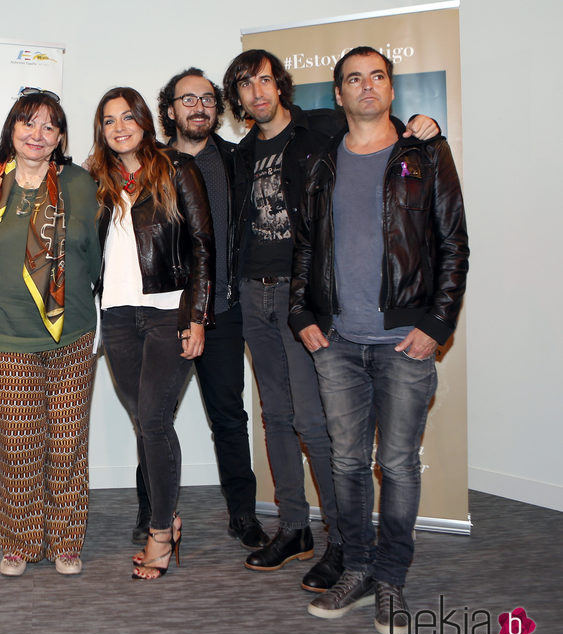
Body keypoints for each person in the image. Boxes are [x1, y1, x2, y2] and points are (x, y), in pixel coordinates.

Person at [221, 49, 439, 593]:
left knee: (319, 427)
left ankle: (344, 541)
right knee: (275, 416)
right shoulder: (242, 153)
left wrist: (423, 128)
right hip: (255, 295)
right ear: (239, 99)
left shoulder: (320, 129)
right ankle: (295, 528)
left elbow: (375, 116)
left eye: (265, 81)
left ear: (281, 85)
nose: (258, 93)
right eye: (246, 86)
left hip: (308, 300)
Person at [290, 47, 468, 634]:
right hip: (337, 341)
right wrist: (301, 315)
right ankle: (359, 569)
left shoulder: (424, 152)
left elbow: (452, 245)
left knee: (396, 464)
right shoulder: (322, 162)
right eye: (353, 80)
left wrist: (436, 326)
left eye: (377, 77)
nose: (367, 87)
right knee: (344, 462)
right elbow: (306, 249)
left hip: (404, 344)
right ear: (338, 95)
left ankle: (391, 576)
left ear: (391, 88)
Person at [0, 89, 100, 577]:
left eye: (49, 126)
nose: (37, 134)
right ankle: (20, 540)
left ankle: (66, 540)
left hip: (71, 334)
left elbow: (103, 258)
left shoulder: (81, 184)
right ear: (11, 129)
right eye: (28, 124)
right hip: (5, 336)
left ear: (60, 137)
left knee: (67, 443)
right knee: (18, 446)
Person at [86, 87, 214, 580]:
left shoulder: (177, 170)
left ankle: (161, 530)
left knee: (155, 421)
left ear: (144, 120)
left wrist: (198, 317)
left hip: (167, 314)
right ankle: (169, 517)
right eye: (108, 119)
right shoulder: (95, 179)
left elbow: (204, 246)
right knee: (145, 421)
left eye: (127, 117)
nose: (119, 127)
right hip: (117, 316)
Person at [150, 68, 267, 550]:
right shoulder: (152, 165)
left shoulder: (240, 160)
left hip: (224, 311)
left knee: (229, 417)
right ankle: (151, 512)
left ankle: (242, 514)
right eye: (187, 99)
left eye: (206, 99)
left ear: (216, 108)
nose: (198, 107)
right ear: (170, 110)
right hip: (165, 315)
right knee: (153, 418)